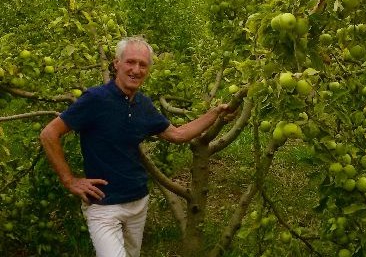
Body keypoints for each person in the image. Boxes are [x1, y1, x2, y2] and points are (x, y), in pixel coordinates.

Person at [39, 36, 232, 257]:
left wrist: (215, 113)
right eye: (130, 62)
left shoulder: (143, 105)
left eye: (143, 64)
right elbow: (49, 134)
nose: (136, 69)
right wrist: (69, 180)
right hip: (104, 206)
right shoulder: (95, 99)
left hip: (138, 202)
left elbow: (178, 134)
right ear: (116, 64)